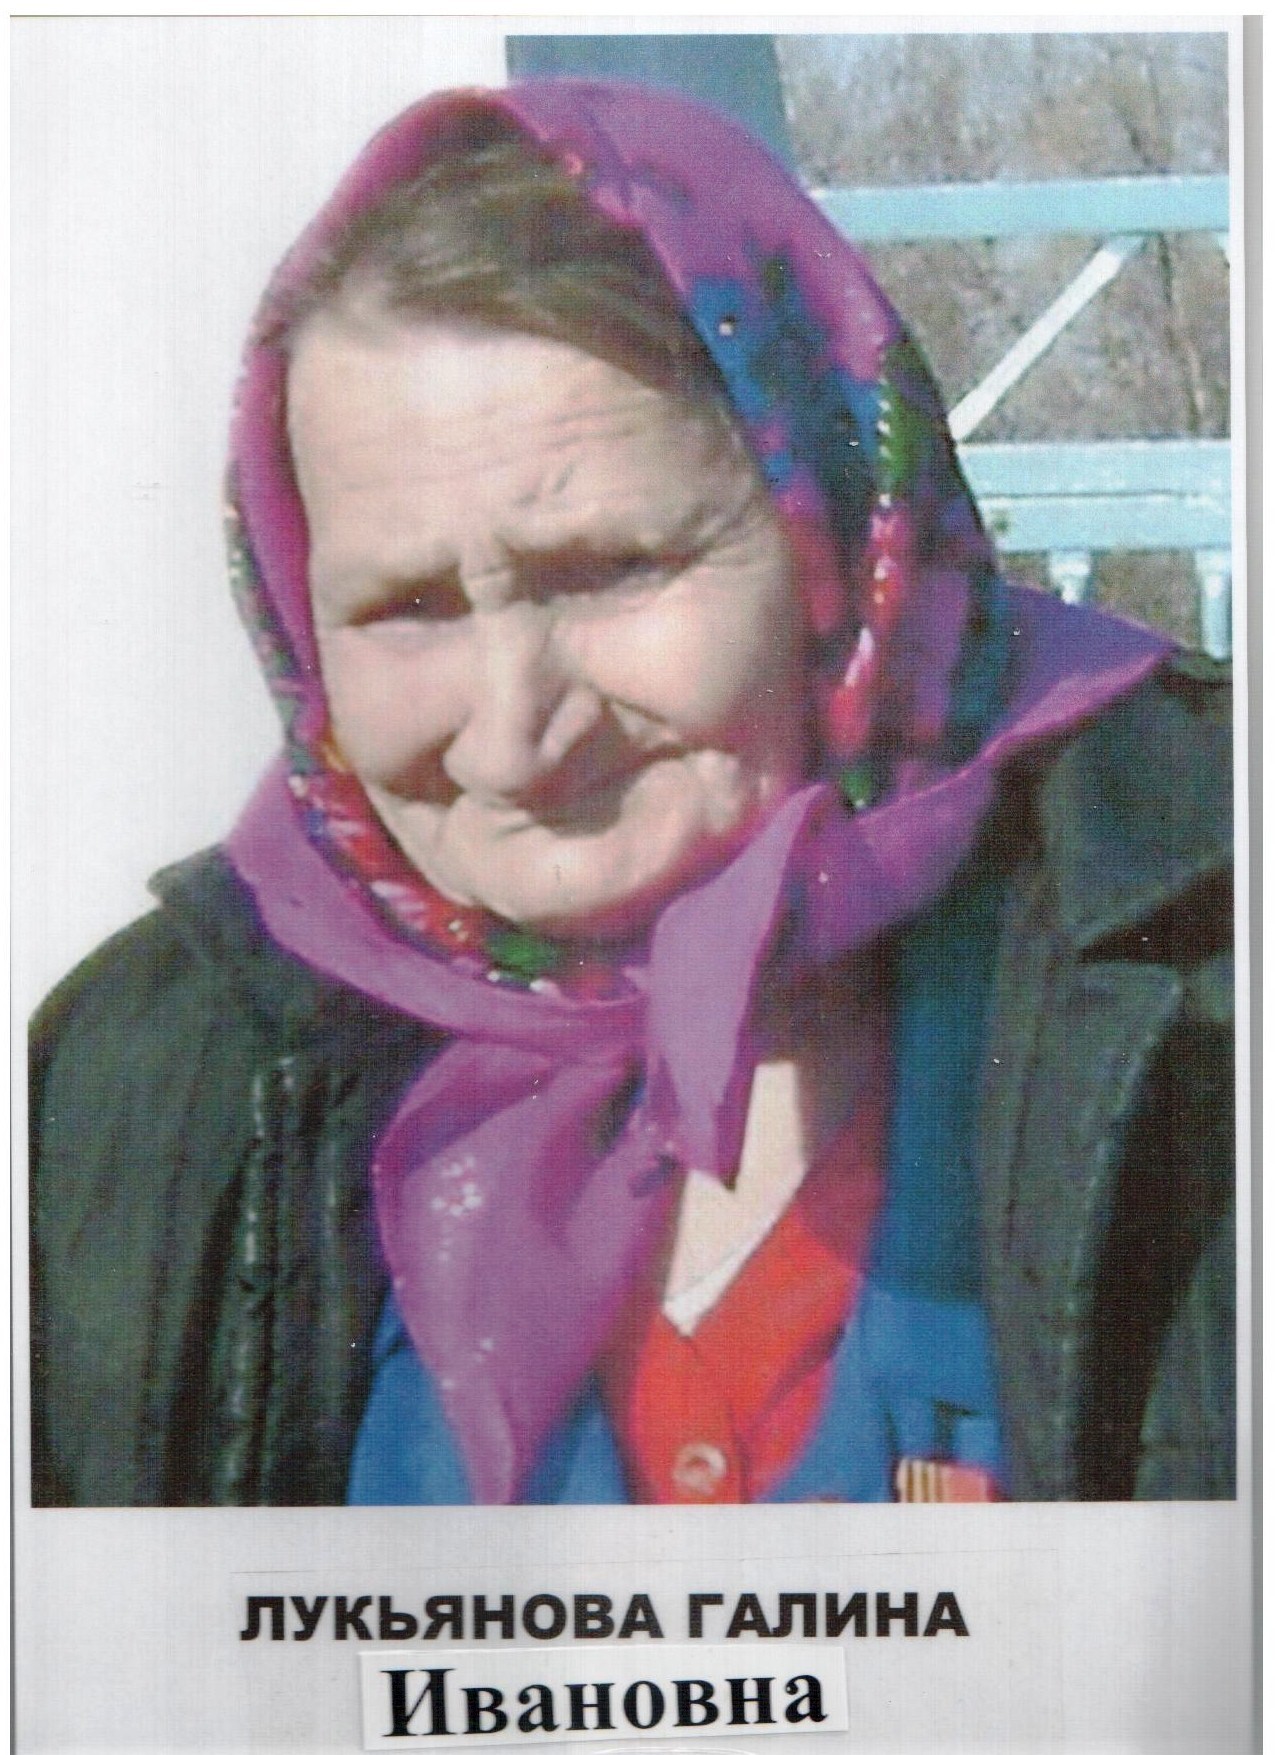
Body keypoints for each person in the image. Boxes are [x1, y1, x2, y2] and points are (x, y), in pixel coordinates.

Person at [29, 80, 1234, 1507]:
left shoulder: (1205, 966)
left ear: (839, 538)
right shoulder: (140, 1080)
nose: (513, 737)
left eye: (608, 569)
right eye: (406, 606)